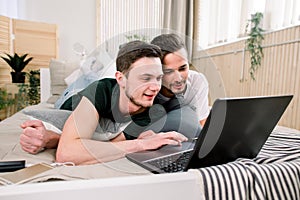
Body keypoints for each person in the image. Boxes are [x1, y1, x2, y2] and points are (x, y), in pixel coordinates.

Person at [20, 41, 187, 165]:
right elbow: (67, 154)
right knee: (85, 80)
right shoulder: (100, 91)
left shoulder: (153, 108)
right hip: (69, 100)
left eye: (158, 78)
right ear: (121, 79)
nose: (155, 87)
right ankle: (87, 69)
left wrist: (55, 139)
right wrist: (142, 144)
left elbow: (110, 146)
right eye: (145, 78)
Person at [122, 33, 210, 140]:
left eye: (183, 68)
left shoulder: (197, 81)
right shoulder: (145, 91)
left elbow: (201, 125)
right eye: (168, 71)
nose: (178, 78)